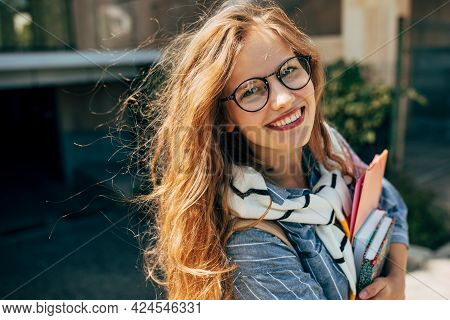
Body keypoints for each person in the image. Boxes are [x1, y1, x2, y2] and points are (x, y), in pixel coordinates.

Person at [131, 0, 409, 300]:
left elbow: (387, 197)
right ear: (224, 119)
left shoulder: (329, 149)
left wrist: (396, 279)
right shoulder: (253, 245)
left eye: (288, 70)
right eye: (251, 90)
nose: (283, 99)